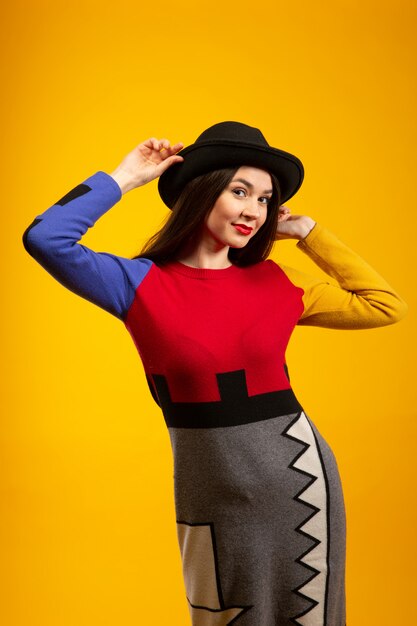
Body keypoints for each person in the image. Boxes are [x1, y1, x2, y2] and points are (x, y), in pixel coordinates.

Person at [22, 121, 407, 626]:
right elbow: (46, 238)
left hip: (297, 483)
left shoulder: (278, 281)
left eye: (266, 199)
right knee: (220, 613)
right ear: (202, 191)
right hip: (208, 488)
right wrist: (125, 177)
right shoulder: (140, 285)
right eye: (240, 191)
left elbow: (384, 305)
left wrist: (309, 233)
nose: (254, 210)